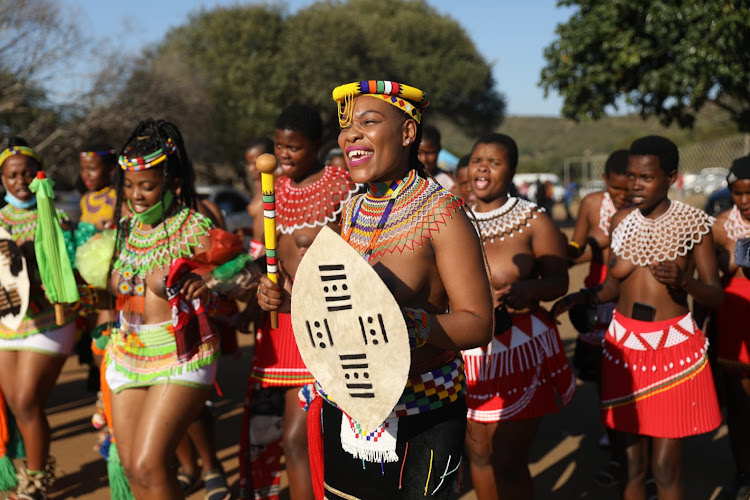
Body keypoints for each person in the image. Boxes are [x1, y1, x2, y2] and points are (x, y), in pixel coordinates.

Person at [258, 79, 493, 499]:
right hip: (349, 407)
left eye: (368, 121)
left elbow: (478, 324)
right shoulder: (349, 211)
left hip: (427, 409)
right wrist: (292, 301)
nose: (351, 135)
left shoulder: (443, 215)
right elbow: (342, 308)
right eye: (346, 126)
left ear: (406, 133)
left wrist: (411, 326)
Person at [553, 135, 723, 500]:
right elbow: (615, 286)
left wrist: (685, 281)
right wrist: (582, 297)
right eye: (631, 177)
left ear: (672, 177)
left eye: (645, 177)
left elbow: (716, 294)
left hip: (672, 350)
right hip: (624, 348)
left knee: (664, 467)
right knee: (631, 465)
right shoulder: (620, 221)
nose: (634, 185)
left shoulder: (695, 225)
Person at [239, 104, 358, 500]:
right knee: (293, 438)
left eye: (294, 147)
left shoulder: (344, 185)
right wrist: (247, 282)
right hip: (285, 328)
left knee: (312, 438)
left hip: (329, 325)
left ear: (318, 147)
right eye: (279, 145)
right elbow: (269, 255)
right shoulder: (272, 191)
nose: (284, 154)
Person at [105, 119, 230, 499]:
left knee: (149, 463)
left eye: (147, 186)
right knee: (133, 469)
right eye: (130, 186)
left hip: (182, 356)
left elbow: (244, 269)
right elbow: (118, 292)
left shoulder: (193, 227)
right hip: (128, 353)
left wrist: (210, 281)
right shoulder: (124, 230)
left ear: (173, 186)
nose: (136, 195)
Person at [461, 133, 573, 500]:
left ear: (511, 171)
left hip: (520, 348)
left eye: (494, 162)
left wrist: (528, 291)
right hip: (471, 355)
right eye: (478, 160)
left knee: (507, 459)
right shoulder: (454, 221)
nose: (483, 167)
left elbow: (559, 279)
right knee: (478, 454)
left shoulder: (532, 219)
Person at [0, 138, 77, 499]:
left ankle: (34, 485)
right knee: (17, 404)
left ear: (38, 176)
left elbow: (71, 272)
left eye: (27, 174)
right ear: (2, 178)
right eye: (12, 175)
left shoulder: (56, 217)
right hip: (7, 325)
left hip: (49, 324)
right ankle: (34, 469)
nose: (20, 181)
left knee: (28, 402)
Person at [708, 155, 750, 499]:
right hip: (735, 323)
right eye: (737, 193)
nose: (745, 201)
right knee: (739, 404)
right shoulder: (720, 227)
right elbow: (707, 281)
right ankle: (744, 472)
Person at [242, 137, 275, 256]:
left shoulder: (278, 184)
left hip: (269, 249)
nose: (251, 168)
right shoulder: (258, 185)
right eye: (249, 163)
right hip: (257, 247)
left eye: (255, 163)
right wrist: (244, 231)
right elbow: (264, 223)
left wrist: (268, 249)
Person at [418, 124, 456, 191]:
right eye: (418, 153)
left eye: (429, 153)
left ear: (439, 150)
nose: (424, 159)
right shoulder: (402, 177)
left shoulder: (449, 182)